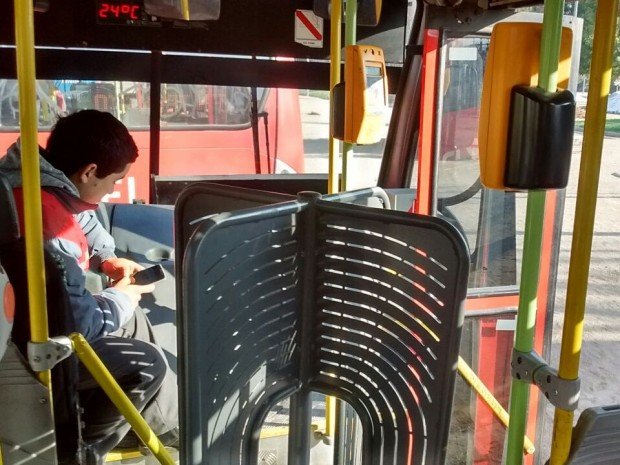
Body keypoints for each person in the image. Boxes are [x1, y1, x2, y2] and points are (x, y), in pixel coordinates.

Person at [0, 110, 178, 464]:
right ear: (89, 172)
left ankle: (164, 423)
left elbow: (80, 214)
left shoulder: (31, 180)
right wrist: (122, 295)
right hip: (37, 345)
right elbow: (81, 324)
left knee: (134, 322)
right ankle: (83, 453)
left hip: (37, 315)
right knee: (148, 363)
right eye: (114, 181)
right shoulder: (47, 224)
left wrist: (108, 261)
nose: (113, 191)